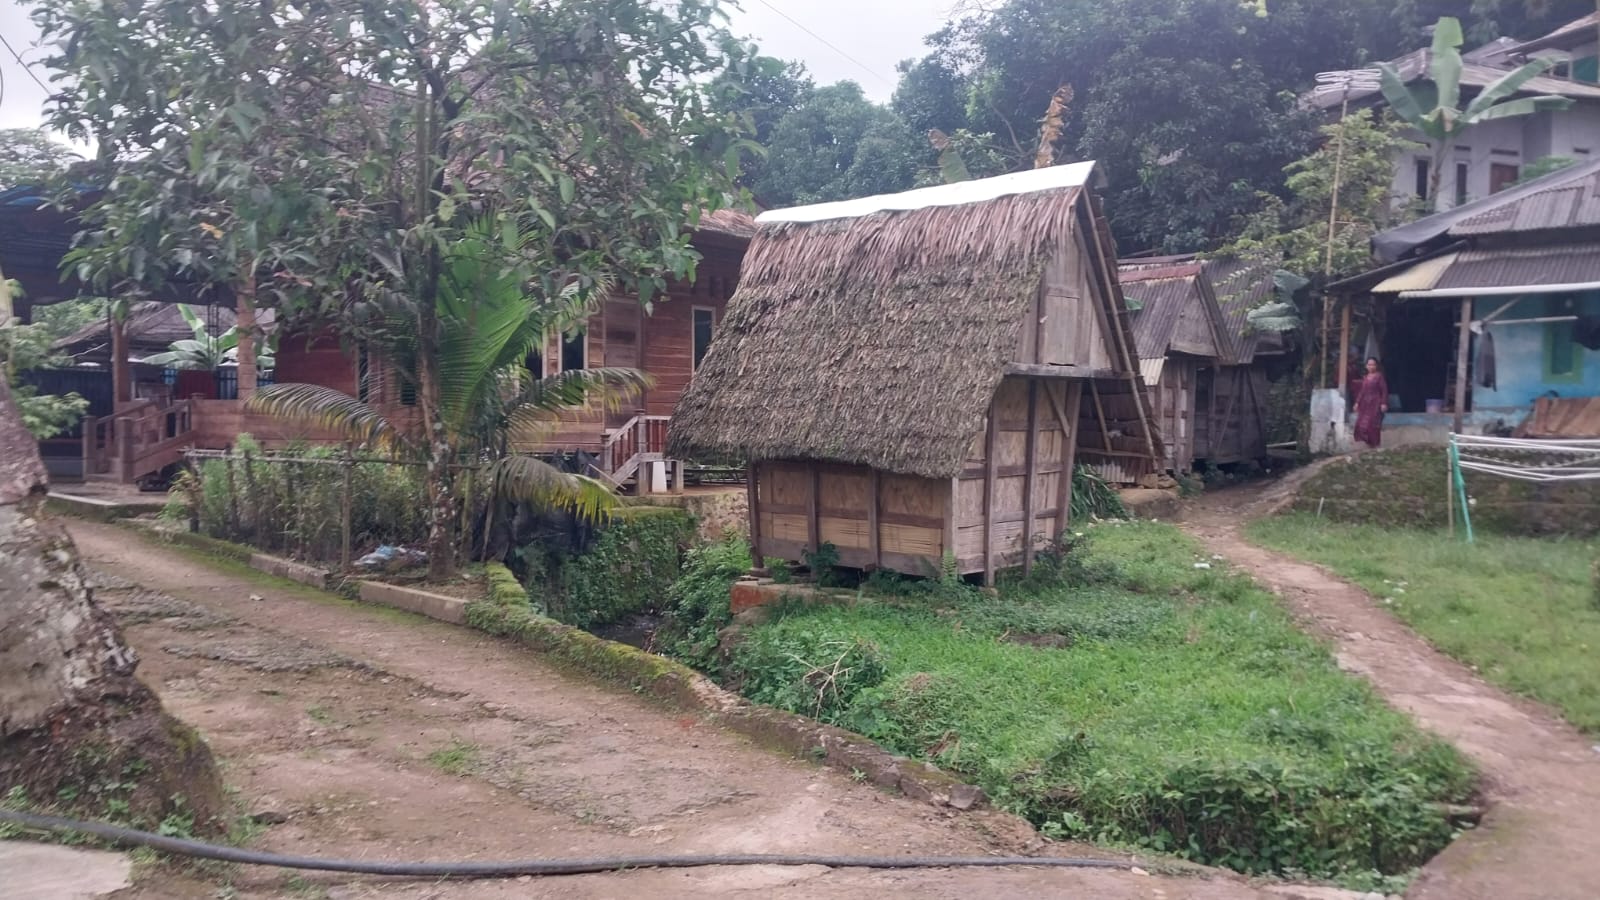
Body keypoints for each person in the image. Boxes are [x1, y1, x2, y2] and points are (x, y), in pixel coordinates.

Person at [1352, 357, 1388, 448]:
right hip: (1365, 405)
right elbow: (1362, 392)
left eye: (1373, 365)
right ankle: (1369, 445)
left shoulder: (1379, 376)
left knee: (1373, 425)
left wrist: (1384, 403)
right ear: (1366, 366)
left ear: (1376, 366)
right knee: (1361, 425)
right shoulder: (1365, 377)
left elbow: (1384, 390)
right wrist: (1357, 403)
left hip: (1375, 403)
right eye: (1369, 365)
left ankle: (1376, 445)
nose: (1371, 367)